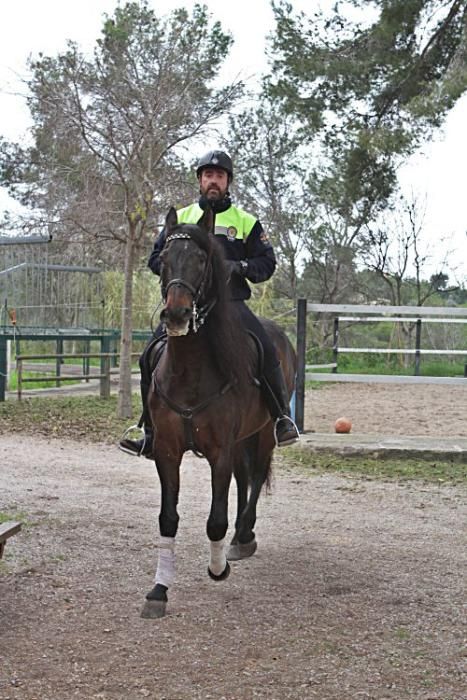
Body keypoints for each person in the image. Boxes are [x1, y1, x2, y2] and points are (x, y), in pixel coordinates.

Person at [119, 149, 299, 457]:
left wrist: (239, 268)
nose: (212, 181)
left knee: (267, 349)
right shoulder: (183, 218)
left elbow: (266, 264)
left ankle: (281, 418)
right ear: (200, 181)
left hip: (231, 305)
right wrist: (176, 275)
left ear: (228, 181)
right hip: (189, 305)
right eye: (207, 176)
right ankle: (149, 430)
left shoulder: (245, 222)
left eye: (218, 176)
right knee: (149, 355)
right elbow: (154, 259)